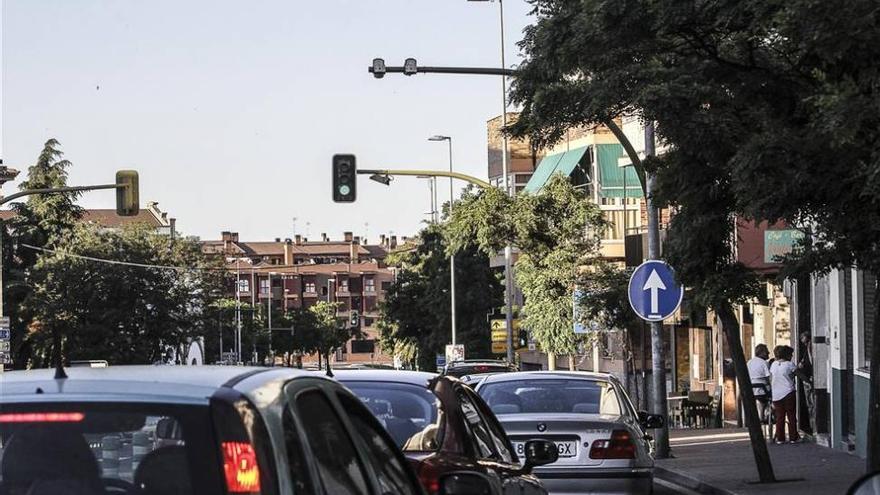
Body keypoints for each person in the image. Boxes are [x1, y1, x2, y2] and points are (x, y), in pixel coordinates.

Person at [770, 345, 800, 444]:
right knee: (791, 415)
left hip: (776, 394)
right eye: (791, 354)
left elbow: (772, 378)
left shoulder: (773, 365)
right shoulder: (790, 364)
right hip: (788, 392)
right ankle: (793, 437)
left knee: (780, 417)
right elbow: (799, 374)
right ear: (786, 355)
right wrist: (809, 381)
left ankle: (780, 438)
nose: (792, 356)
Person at [747, 344, 771, 423]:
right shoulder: (764, 363)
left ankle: (759, 416)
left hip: (751, 389)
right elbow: (769, 377)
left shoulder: (749, 362)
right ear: (762, 352)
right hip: (763, 389)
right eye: (766, 351)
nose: (768, 353)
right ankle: (764, 416)